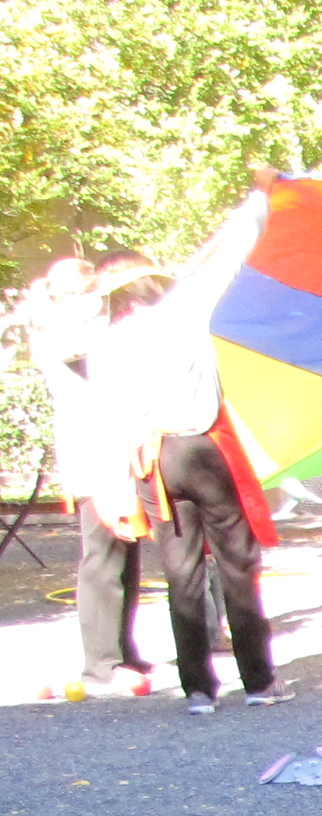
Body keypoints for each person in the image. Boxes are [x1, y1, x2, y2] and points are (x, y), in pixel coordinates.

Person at [87, 190, 287, 714]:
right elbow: (232, 251)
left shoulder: (105, 343)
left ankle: (199, 689)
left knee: (181, 572)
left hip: (153, 462)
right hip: (203, 449)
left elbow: (107, 419)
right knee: (237, 564)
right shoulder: (184, 311)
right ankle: (259, 681)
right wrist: (261, 196)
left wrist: (113, 490)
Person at [12, 256, 152, 700]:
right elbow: (89, 339)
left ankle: (120, 651)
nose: (100, 301)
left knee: (123, 555)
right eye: (90, 292)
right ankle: (100, 663)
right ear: (70, 296)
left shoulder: (71, 328)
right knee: (103, 558)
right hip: (95, 456)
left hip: (111, 452)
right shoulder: (61, 334)